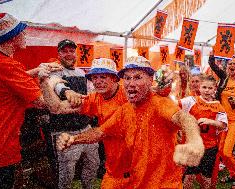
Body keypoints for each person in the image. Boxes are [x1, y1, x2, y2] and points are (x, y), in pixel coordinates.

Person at [55, 56, 205, 189]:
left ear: (150, 80)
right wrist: (73, 139)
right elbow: (100, 132)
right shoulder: (125, 111)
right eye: (127, 78)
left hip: (165, 184)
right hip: (137, 182)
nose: (131, 83)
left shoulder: (158, 103)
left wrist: (194, 140)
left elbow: (184, 118)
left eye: (138, 77)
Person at [0, 13, 62, 189]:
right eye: (22, 32)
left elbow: (8, 80)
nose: (25, 36)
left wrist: (36, 70)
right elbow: (44, 103)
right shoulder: (8, 65)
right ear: (11, 37)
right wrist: (48, 81)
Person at [42, 39, 99, 189]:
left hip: (85, 128)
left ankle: (88, 186)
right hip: (63, 130)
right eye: (64, 51)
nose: (69, 54)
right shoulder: (55, 70)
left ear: (76, 53)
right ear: (59, 53)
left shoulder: (81, 72)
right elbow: (55, 84)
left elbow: (91, 92)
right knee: (67, 172)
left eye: (71, 51)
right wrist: (66, 91)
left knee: (93, 163)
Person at [208, 53, 235, 188]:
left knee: (227, 151)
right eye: (230, 64)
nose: (232, 66)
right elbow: (214, 67)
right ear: (227, 67)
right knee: (221, 151)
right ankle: (232, 174)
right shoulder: (224, 79)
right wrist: (211, 57)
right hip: (223, 120)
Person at [180, 75, 228, 189]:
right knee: (189, 175)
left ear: (214, 89)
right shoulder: (191, 100)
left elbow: (223, 125)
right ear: (199, 88)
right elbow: (174, 106)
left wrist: (210, 121)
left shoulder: (218, 106)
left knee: (207, 177)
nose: (207, 90)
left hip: (209, 147)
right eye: (204, 87)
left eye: (210, 88)